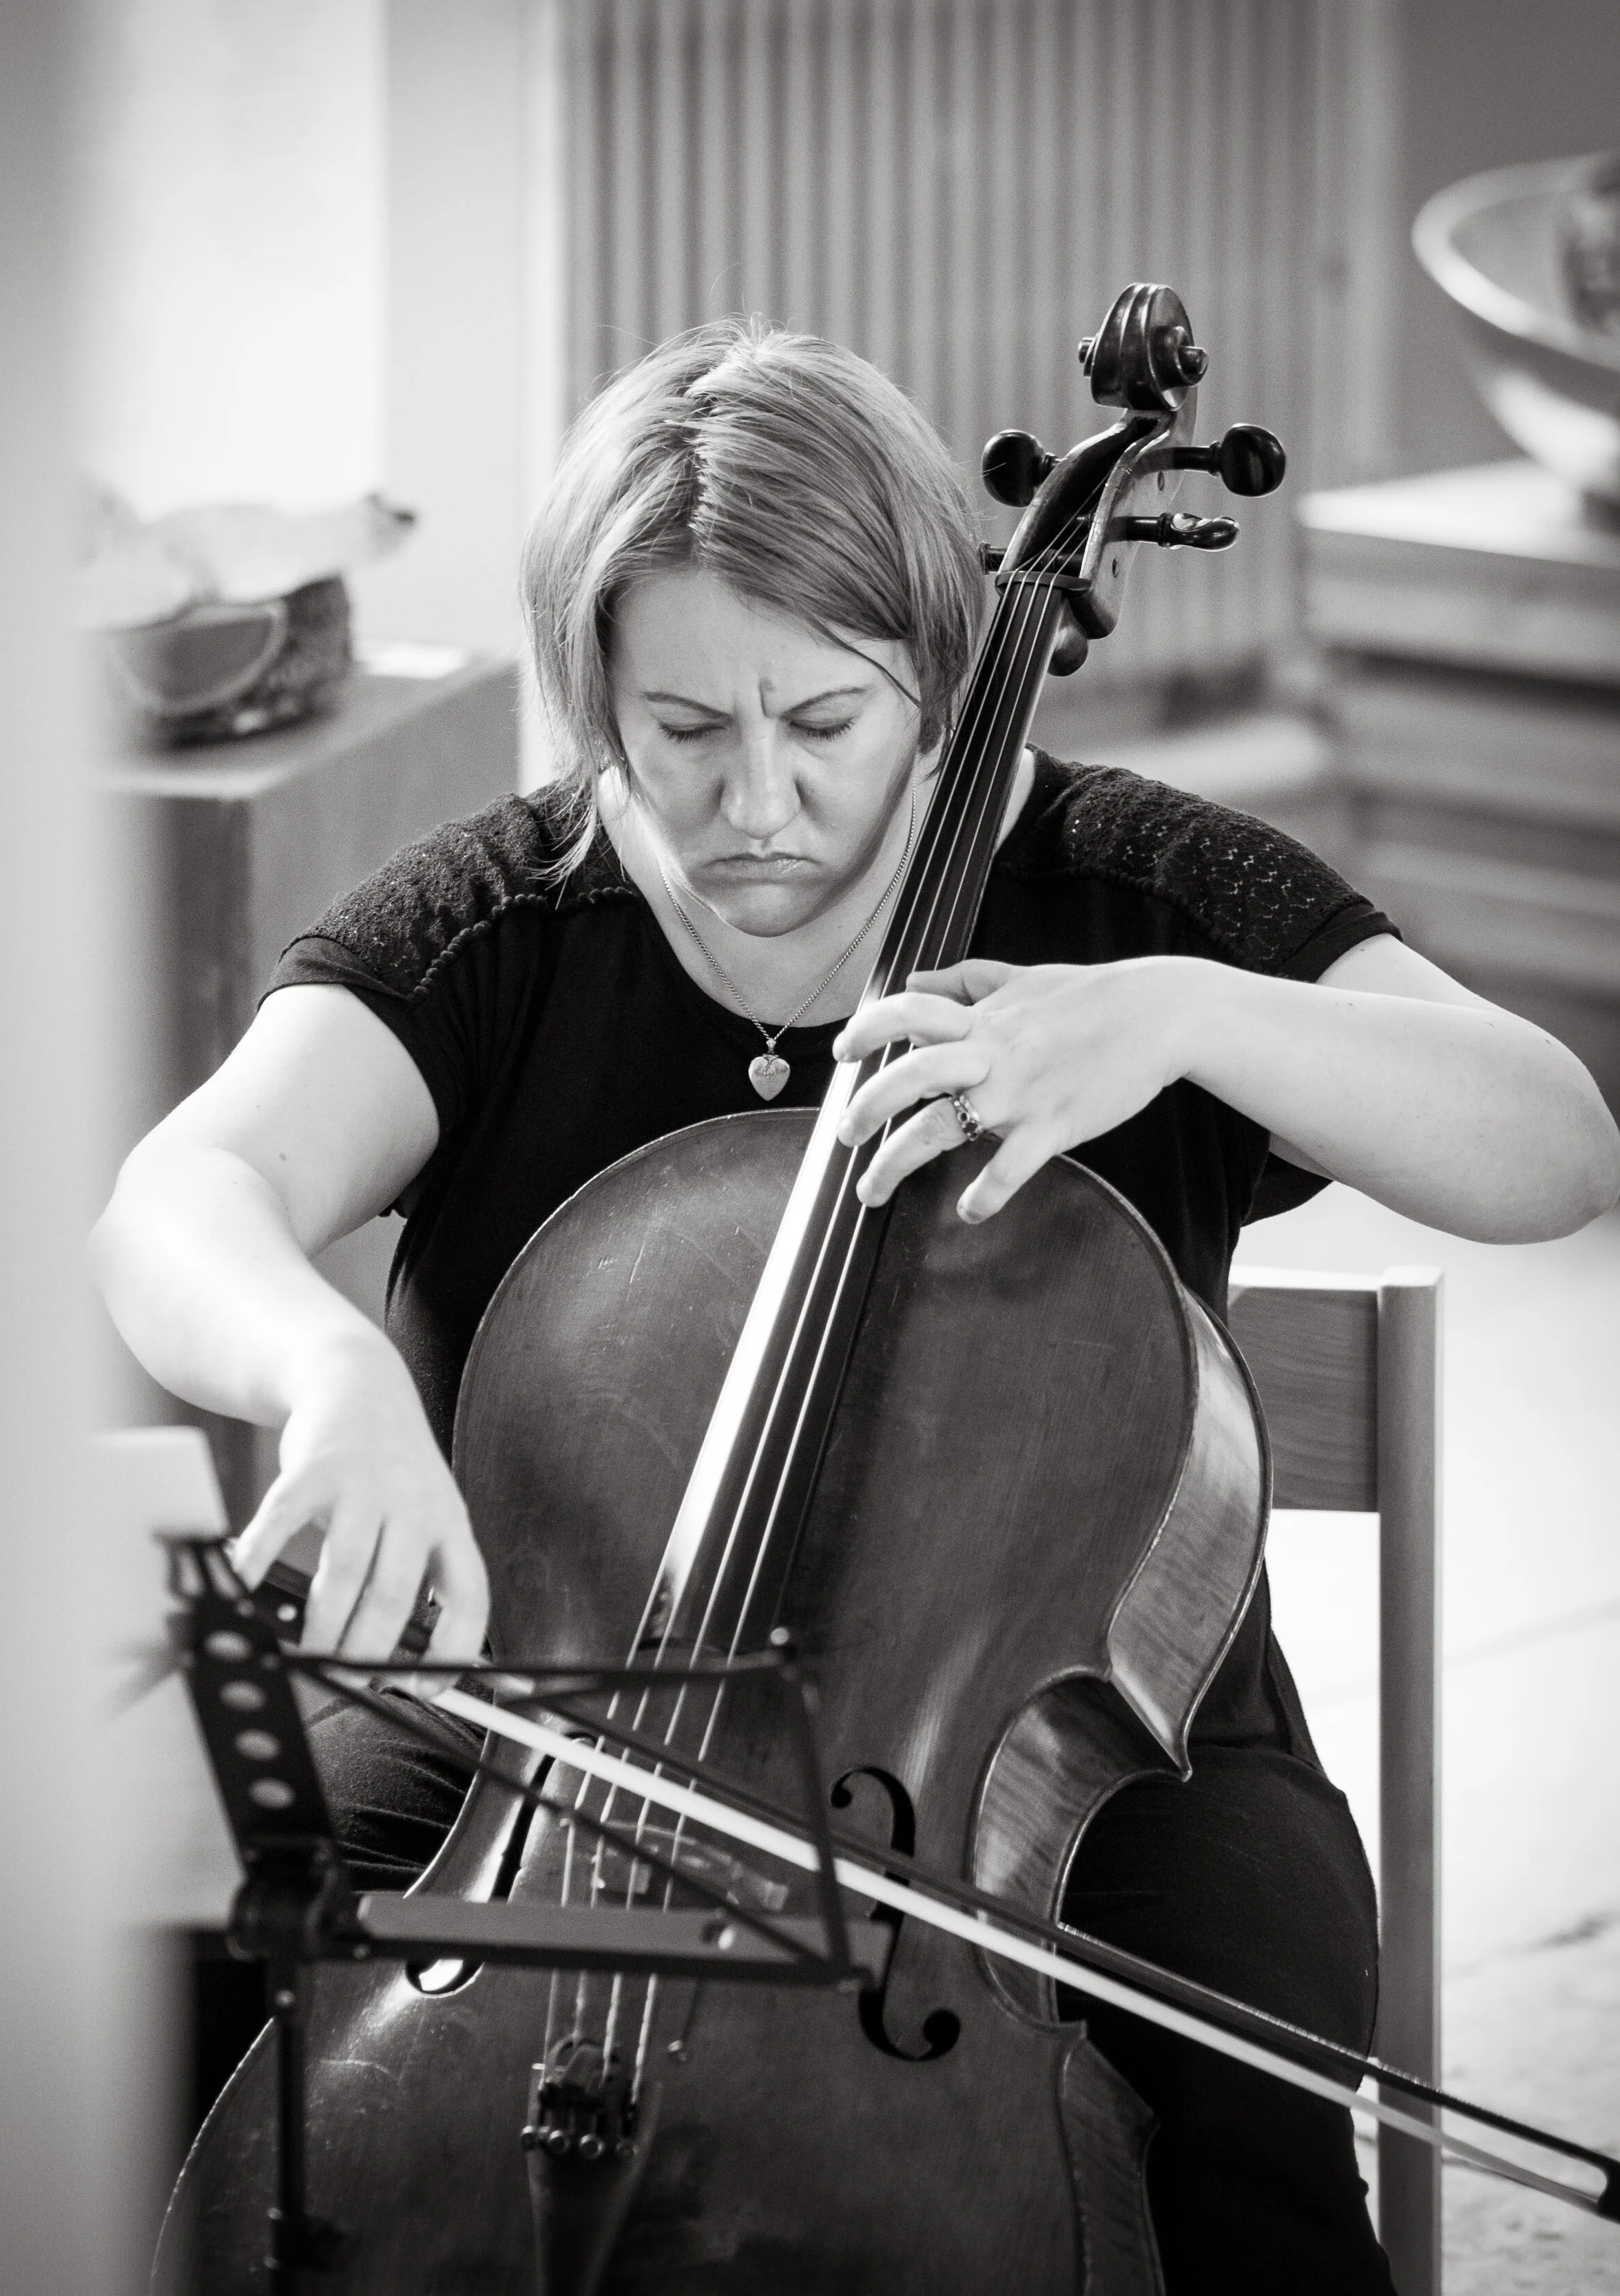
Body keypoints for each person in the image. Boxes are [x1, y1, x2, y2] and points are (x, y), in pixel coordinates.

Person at [94, 318, 1620, 2292]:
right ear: (594, 700)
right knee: (190, 2008)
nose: (755, 804)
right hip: (565, 1721)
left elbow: (1555, 1142)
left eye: (821, 723)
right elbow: (178, 1193)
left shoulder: (1126, 894)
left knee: (1240, 2114)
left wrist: (1189, 1019)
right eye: (681, 734)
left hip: (1073, 1739)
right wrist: (319, 1367)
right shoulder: (506, 925)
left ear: (936, 663)